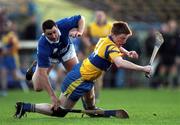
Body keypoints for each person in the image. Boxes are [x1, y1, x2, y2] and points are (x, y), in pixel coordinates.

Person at [14, 21, 151, 118]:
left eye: (126, 39)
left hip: (85, 75)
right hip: (78, 79)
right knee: (60, 111)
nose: (124, 41)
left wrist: (127, 52)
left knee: (91, 104)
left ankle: (91, 110)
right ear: (114, 35)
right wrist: (143, 68)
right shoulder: (111, 47)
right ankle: (25, 107)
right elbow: (120, 63)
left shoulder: (105, 39)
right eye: (122, 38)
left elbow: (117, 47)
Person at [25, 15, 85, 109]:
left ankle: (88, 105)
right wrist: (53, 96)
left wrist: (80, 31)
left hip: (66, 51)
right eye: (49, 34)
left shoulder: (63, 24)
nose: (53, 36)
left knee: (79, 78)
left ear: (57, 27)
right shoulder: (42, 46)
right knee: (38, 87)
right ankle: (36, 66)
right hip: (50, 58)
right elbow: (43, 74)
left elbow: (81, 18)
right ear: (44, 33)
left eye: (54, 32)